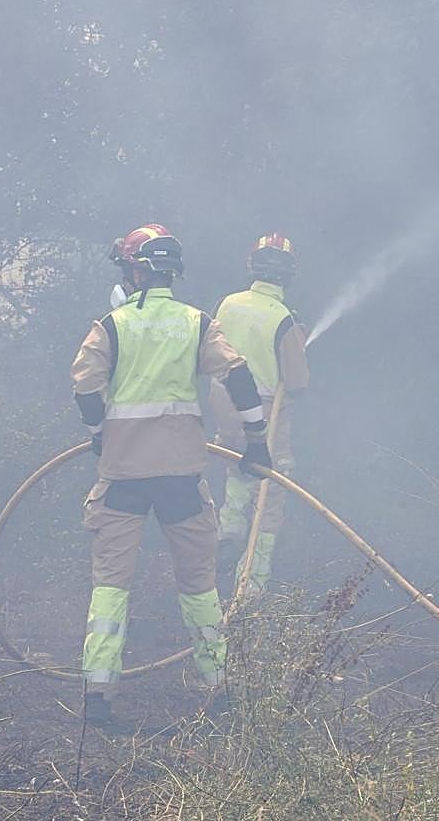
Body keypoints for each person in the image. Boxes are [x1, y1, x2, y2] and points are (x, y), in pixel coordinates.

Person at [70, 223, 272, 730]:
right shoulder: (196, 323)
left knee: (111, 586)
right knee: (199, 584)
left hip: (122, 478)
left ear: (136, 270)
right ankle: (218, 688)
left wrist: (99, 433)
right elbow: (240, 377)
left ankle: (98, 694)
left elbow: (85, 390)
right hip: (182, 477)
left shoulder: (110, 326)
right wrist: (257, 442)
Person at [211, 233, 310, 595]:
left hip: (224, 406)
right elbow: (296, 381)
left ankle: (228, 532)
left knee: (238, 465)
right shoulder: (284, 318)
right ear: (288, 274)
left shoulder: (227, 304)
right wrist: (298, 343)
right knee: (272, 485)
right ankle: (251, 584)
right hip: (267, 413)